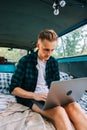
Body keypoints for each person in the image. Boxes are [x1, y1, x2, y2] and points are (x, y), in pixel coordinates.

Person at [10, 29, 87, 130]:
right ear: (38, 46)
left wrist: (61, 96)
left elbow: (56, 84)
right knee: (59, 111)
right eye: (46, 49)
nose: (49, 54)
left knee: (74, 105)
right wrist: (35, 95)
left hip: (51, 96)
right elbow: (13, 88)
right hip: (31, 98)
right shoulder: (25, 61)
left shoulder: (53, 62)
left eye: (52, 50)